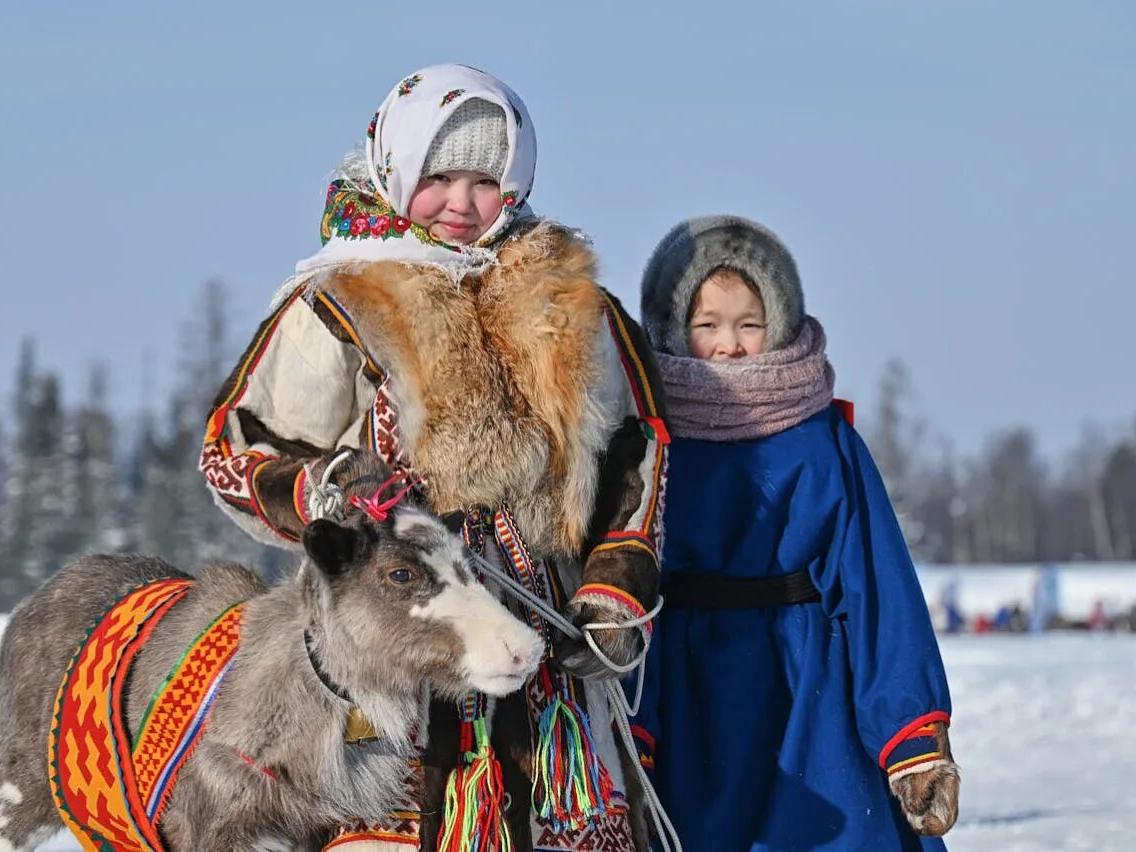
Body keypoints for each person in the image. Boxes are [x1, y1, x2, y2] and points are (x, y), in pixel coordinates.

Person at [198, 64, 667, 850]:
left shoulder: (570, 300)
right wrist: (322, 494)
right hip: (390, 634)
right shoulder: (342, 298)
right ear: (394, 166)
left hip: (541, 628)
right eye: (438, 176)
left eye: (486, 181)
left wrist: (615, 585)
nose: (460, 202)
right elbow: (238, 447)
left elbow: (635, 447)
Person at [631, 215, 960, 849]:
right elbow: (633, 591)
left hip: (811, 686)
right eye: (707, 326)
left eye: (748, 324)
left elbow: (875, 587)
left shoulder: (823, 437)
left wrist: (913, 734)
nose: (729, 344)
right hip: (693, 688)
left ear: (778, 321)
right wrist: (631, 726)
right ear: (673, 327)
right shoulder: (650, 442)